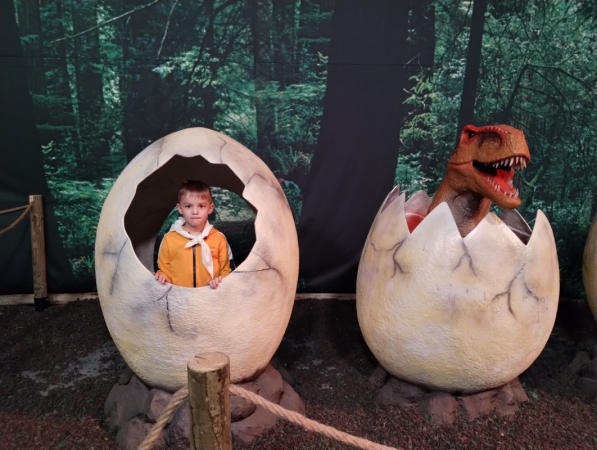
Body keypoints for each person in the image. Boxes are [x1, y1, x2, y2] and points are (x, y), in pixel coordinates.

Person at [154, 180, 232, 289]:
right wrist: (162, 277)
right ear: (180, 208)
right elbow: (165, 271)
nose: (195, 211)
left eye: (201, 206)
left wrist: (219, 281)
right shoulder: (169, 239)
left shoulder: (219, 239)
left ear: (210, 208)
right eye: (188, 206)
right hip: (179, 297)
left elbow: (226, 272)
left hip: (210, 296)